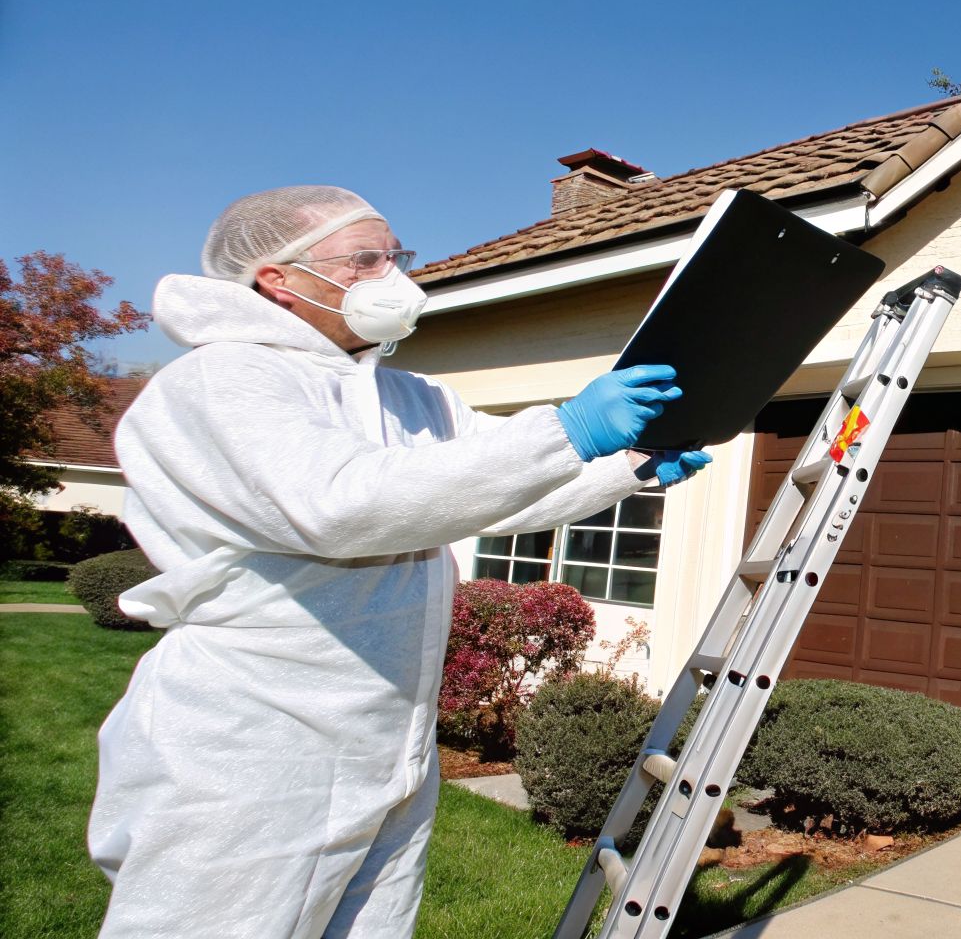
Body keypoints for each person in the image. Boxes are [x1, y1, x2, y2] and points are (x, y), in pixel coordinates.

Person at [88, 185, 710, 938]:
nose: (395, 276)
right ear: (276, 279)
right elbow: (337, 506)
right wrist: (568, 426)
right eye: (366, 258)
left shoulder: (407, 395)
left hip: (388, 736)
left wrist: (632, 464)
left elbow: (486, 491)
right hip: (255, 739)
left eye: (397, 255)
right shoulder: (223, 380)